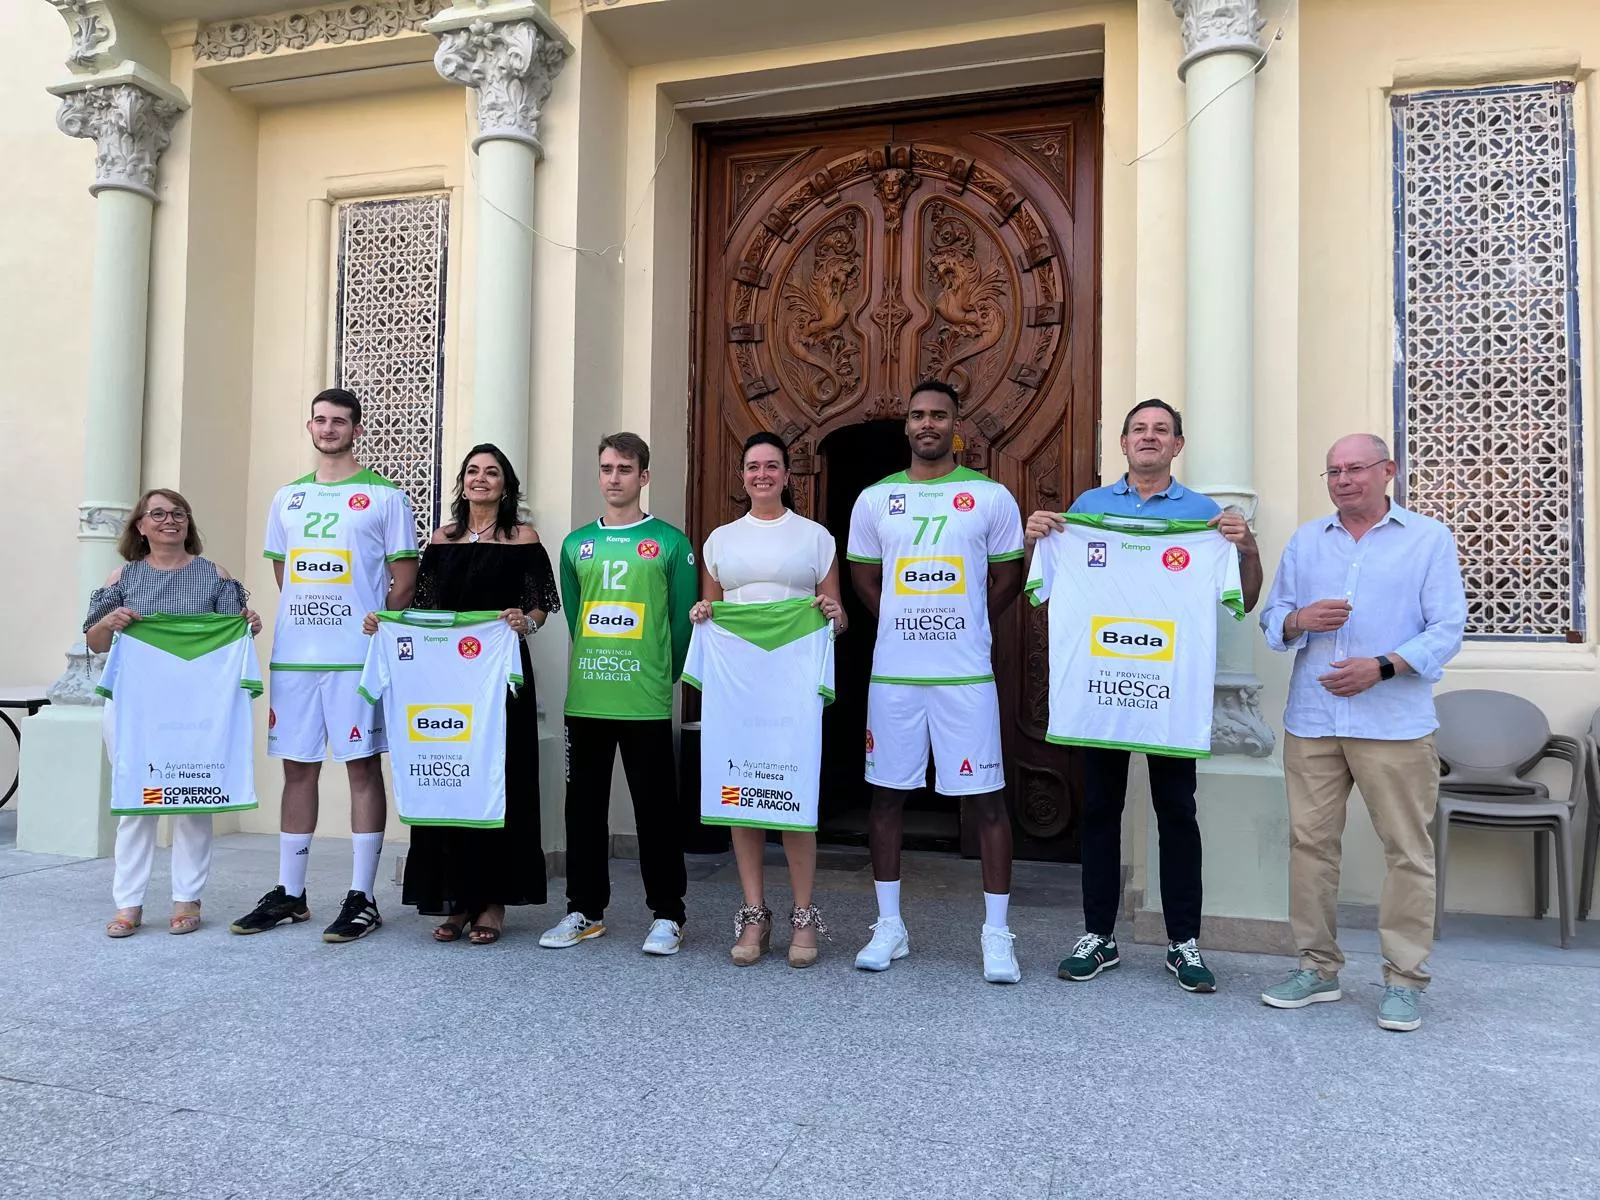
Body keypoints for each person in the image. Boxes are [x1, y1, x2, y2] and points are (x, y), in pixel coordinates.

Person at [1026, 398, 1261, 993]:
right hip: (1103, 690)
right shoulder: (1087, 509)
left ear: (1178, 445)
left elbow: (1245, 600)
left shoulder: (1204, 516)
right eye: (1139, 429)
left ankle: (1184, 942)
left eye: (1161, 430)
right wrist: (1039, 541)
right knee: (1100, 811)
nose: (1149, 437)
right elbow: (1045, 588)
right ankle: (1097, 935)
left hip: (1168, 694)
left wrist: (1247, 548)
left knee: (1177, 812)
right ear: (1124, 443)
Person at [1258, 434, 1465, 1032]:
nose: (1344, 479)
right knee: (1310, 846)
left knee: (1407, 851)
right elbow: (1273, 619)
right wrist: (1299, 619)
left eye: (1355, 468)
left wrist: (1383, 666)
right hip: (1314, 720)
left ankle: (1404, 979)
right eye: (1333, 471)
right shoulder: (1306, 541)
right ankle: (1316, 968)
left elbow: (1448, 627)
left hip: (1393, 724)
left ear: (1387, 471)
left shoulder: (1427, 539)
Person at [846, 379, 1026, 984]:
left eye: (939, 415)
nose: (928, 424)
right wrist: (901, 619)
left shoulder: (991, 496)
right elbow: (864, 577)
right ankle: (889, 926)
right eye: (918, 415)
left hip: (964, 673)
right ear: (906, 425)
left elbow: (1008, 576)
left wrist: (967, 621)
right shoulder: (875, 499)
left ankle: (996, 934)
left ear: (956, 426)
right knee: (886, 796)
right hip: (896, 674)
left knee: (988, 800)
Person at [231, 388, 418, 942]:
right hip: (295, 657)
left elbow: (405, 580)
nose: (328, 428)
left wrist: (369, 621)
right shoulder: (287, 497)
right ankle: (290, 893)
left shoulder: (385, 496)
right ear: (309, 427)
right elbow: (285, 574)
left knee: (361, 767)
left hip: (355, 659)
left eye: (339, 421)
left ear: (357, 429)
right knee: (297, 768)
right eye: (320, 420)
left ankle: (362, 897)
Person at [361, 444, 558, 945]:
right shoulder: (441, 539)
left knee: (499, 779)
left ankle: (491, 903)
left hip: (500, 675)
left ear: (506, 485)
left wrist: (525, 623)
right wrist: (387, 622)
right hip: (445, 678)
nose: (480, 479)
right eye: (472, 471)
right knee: (448, 776)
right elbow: (424, 609)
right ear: (462, 482)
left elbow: (541, 605)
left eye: (492, 472)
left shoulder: (523, 538)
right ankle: (454, 900)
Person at [689, 432, 847, 967]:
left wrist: (834, 616)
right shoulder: (720, 540)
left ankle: (804, 914)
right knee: (743, 788)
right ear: (742, 475)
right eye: (753, 466)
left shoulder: (816, 537)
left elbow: (836, 615)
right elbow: (711, 611)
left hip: (792, 681)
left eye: (772, 466)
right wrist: (702, 614)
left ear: (786, 475)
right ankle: (754, 913)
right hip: (739, 683)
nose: (762, 474)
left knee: (793, 788)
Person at [541, 433, 695, 956]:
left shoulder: (670, 543)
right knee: (583, 809)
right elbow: (576, 614)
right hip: (587, 698)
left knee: (656, 810)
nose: (613, 478)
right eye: (606, 468)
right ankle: (584, 910)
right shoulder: (575, 544)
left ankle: (668, 914)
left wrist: (660, 674)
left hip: (644, 698)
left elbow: (681, 624)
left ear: (643, 477)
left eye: (625, 469)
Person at [85, 489, 262, 937]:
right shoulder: (122, 577)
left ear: (189, 523)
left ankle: (188, 898)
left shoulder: (214, 575)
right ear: (140, 526)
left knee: (193, 797)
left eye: (178, 513)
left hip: (196, 707)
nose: (170, 520)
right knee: (137, 800)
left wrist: (249, 624)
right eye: (159, 513)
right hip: (135, 706)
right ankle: (128, 903)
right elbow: (96, 643)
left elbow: (232, 636)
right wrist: (109, 622)